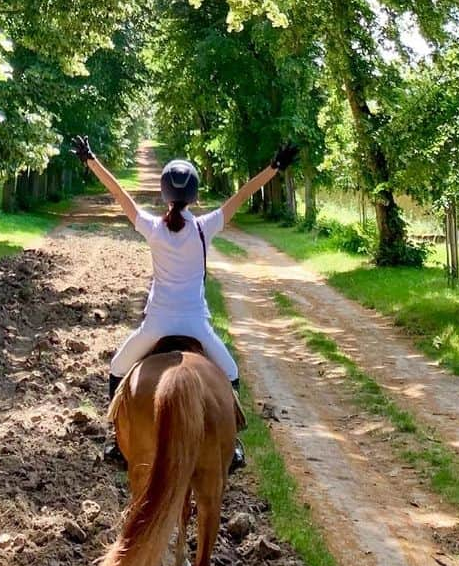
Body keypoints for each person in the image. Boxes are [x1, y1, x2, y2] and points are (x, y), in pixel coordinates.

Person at [70, 137, 300, 471]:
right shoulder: (206, 227)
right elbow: (243, 194)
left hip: (157, 325)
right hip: (196, 325)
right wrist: (274, 168)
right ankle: (232, 444)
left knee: (117, 368)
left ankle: (118, 443)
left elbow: (119, 193)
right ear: (194, 196)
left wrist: (90, 160)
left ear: (164, 194)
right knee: (231, 373)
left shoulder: (152, 227)